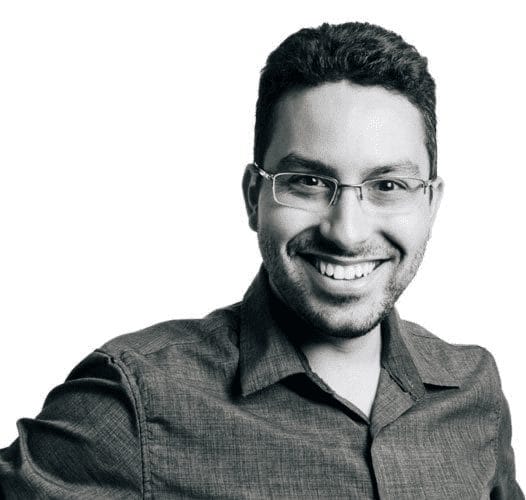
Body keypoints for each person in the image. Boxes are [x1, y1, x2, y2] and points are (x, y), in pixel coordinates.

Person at [0, 21, 522, 499]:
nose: (347, 231)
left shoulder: (473, 389)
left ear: (430, 203)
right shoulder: (135, 404)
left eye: (388, 185)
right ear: (254, 196)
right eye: (309, 183)